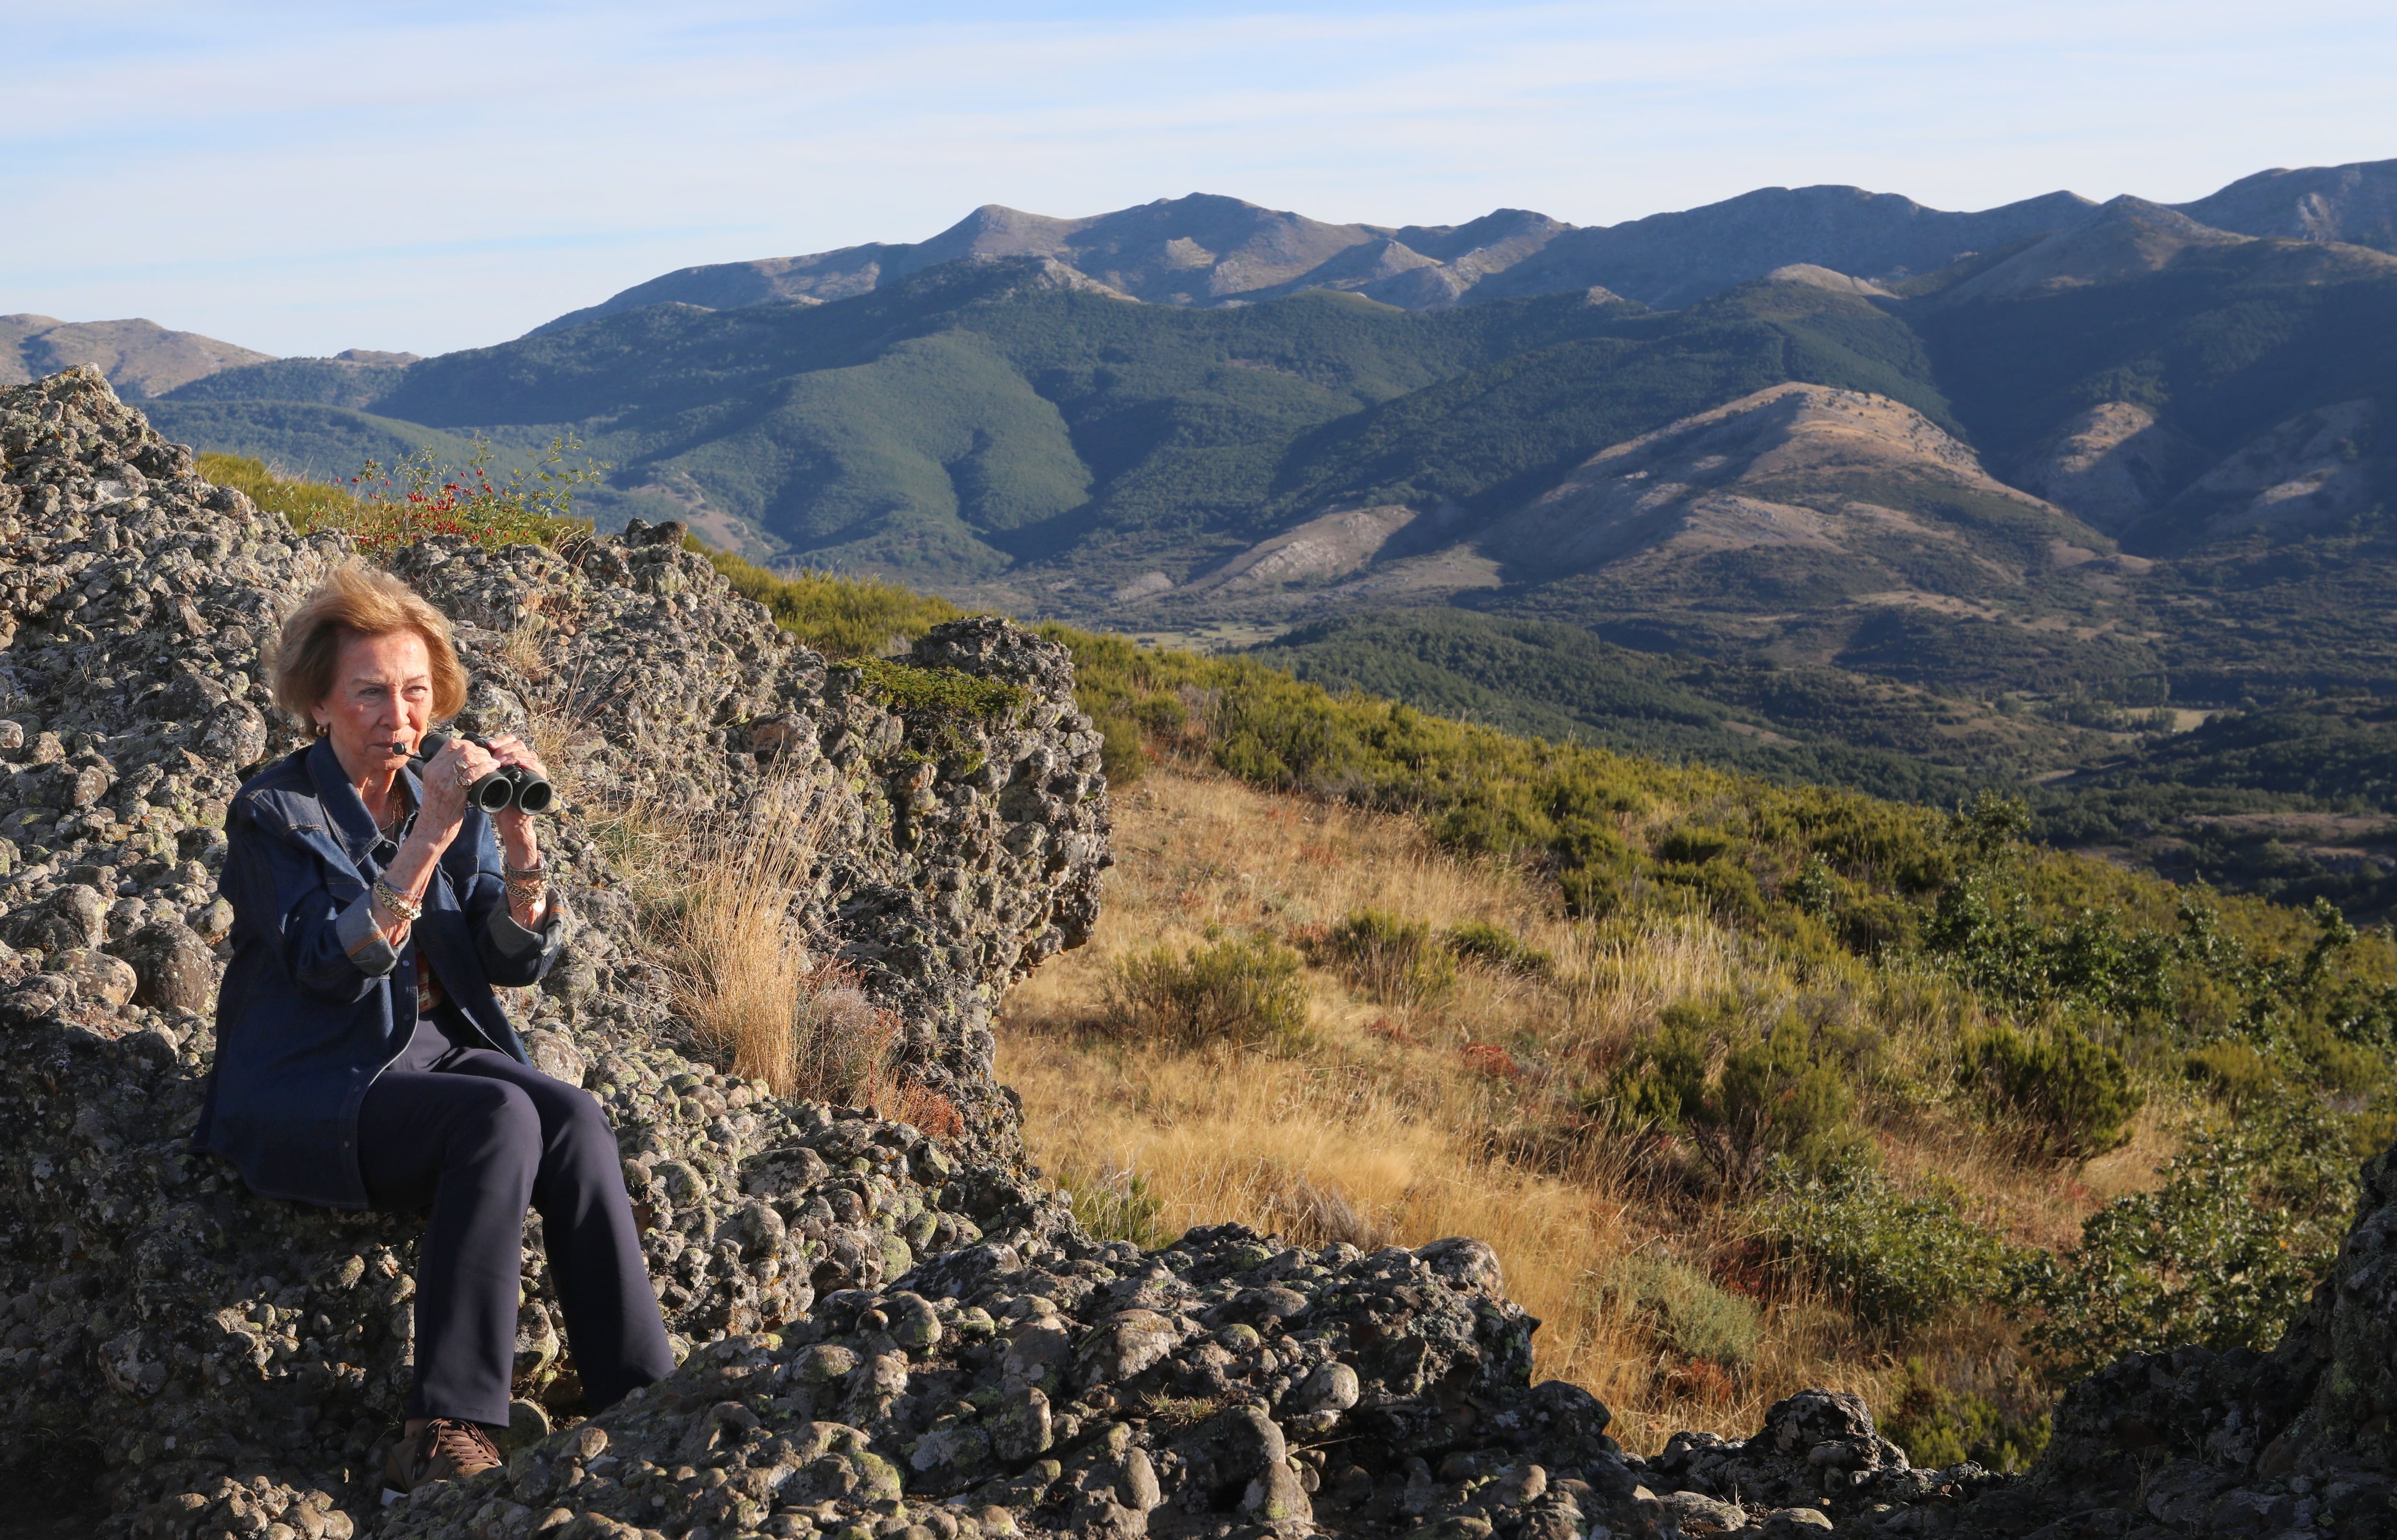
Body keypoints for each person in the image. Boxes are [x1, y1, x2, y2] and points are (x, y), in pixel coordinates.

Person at [193, 562, 675, 1495]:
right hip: (313, 1073)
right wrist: (426, 842)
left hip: (429, 1049)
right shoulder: (274, 813)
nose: (397, 714)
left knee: (570, 1115)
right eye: (369, 692)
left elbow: (512, 958)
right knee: (497, 1117)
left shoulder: (431, 788)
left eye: (415, 692)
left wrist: (522, 844)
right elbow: (330, 964)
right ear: (319, 702)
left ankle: (641, 1392)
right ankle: (446, 1423)